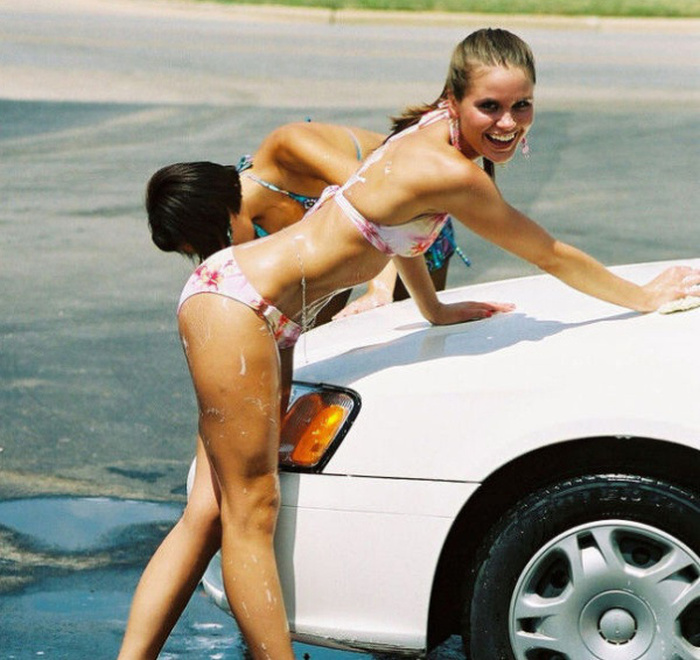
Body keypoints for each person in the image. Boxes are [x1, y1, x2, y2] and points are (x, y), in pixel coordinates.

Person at [119, 28, 699, 660]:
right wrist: (642, 297)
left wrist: (433, 308)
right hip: (235, 306)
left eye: (522, 105)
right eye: (491, 108)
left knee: (211, 511)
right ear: (453, 100)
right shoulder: (451, 170)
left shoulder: (434, 141)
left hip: (265, 312)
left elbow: (400, 230)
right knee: (250, 510)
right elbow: (548, 252)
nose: (509, 124)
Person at [146, 120, 464, 323]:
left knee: (414, 335)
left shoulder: (289, 148)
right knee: (312, 341)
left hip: (413, 222)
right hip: (352, 247)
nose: (223, 256)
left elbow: (387, 203)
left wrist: (379, 291)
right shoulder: (252, 231)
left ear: (223, 216)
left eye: (217, 245)